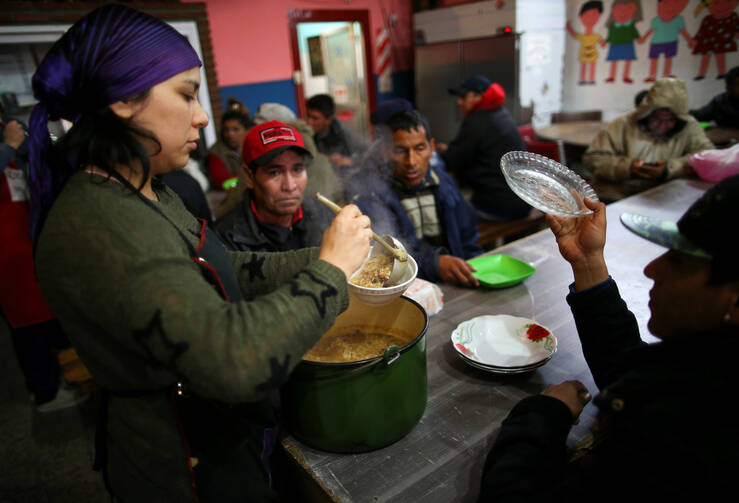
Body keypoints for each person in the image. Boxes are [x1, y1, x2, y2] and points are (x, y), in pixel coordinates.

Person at [27, 5, 371, 502]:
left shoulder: (148, 189)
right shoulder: (100, 226)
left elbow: (222, 270)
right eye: (187, 94)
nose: (203, 115)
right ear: (124, 99)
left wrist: (326, 255)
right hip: (182, 464)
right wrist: (330, 271)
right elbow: (233, 362)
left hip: (222, 436)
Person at [479, 175, 739, 501]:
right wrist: (587, 263)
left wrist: (543, 416)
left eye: (678, 260)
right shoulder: (709, 372)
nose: (651, 269)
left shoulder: (690, 440)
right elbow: (634, 374)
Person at [1, 104, 84, 413]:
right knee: (27, 327)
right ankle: (45, 392)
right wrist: (7, 146)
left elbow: (47, 149)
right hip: (8, 260)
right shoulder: (5, 145)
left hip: (29, 247)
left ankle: (60, 376)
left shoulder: (15, 134)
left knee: (44, 318)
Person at [354, 110, 482, 287]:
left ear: (431, 148)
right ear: (385, 152)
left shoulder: (445, 184)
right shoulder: (371, 198)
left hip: (454, 282)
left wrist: (475, 267)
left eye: (419, 148)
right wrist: (434, 264)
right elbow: (381, 261)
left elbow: (468, 236)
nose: (411, 161)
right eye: (400, 151)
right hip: (404, 290)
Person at [583, 77, 713, 201]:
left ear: (679, 118)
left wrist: (670, 169)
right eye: (657, 118)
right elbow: (594, 159)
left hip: (664, 195)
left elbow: (708, 157)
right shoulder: (623, 124)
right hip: (616, 194)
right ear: (646, 113)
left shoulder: (689, 126)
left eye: (670, 120)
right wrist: (629, 168)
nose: (663, 125)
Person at [214, 120, 333, 252]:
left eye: (297, 170)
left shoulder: (324, 215)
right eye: (274, 172)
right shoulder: (227, 239)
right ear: (249, 177)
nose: (290, 186)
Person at [438, 74, 530, 221]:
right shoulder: (500, 113)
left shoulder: (476, 120)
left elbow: (452, 161)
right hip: (523, 200)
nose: (459, 102)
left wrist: (436, 153)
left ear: (479, 96)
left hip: (498, 207)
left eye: (463, 97)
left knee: (446, 215)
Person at [305, 93, 368, 170]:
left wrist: (352, 161)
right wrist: (326, 159)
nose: (309, 121)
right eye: (308, 116)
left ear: (328, 120)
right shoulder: (304, 137)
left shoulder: (344, 137)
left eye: (315, 118)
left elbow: (369, 155)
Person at [637, 0, 692, 83]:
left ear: (679, 9)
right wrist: (643, 38)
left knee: (668, 58)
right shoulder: (656, 20)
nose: (668, 9)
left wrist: (690, 40)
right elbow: (650, 31)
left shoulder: (678, 20)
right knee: (654, 59)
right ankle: (652, 75)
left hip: (671, 42)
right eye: (663, 6)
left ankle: (666, 74)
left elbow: (683, 31)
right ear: (658, 7)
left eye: (673, 7)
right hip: (656, 43)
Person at [206, 97, 253, 189]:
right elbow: (221, 181)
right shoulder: (215, 153)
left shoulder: (253, 147)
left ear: (247, 131)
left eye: (235, 130)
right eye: (226, 130)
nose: (230, 134)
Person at [566, 1, 606, 86]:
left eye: (594, 16)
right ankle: (582, 79)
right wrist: (568, 27)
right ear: (581, 17)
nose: (590, 19)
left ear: (599, 17)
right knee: (583, 66)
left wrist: (605, 42)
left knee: (592, 66)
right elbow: (574, 34)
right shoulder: (582, 36)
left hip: (592, 54)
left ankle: (591, 80)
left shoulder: (596, 36)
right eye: (587, 15)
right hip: (583, 54)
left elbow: (602, 43)